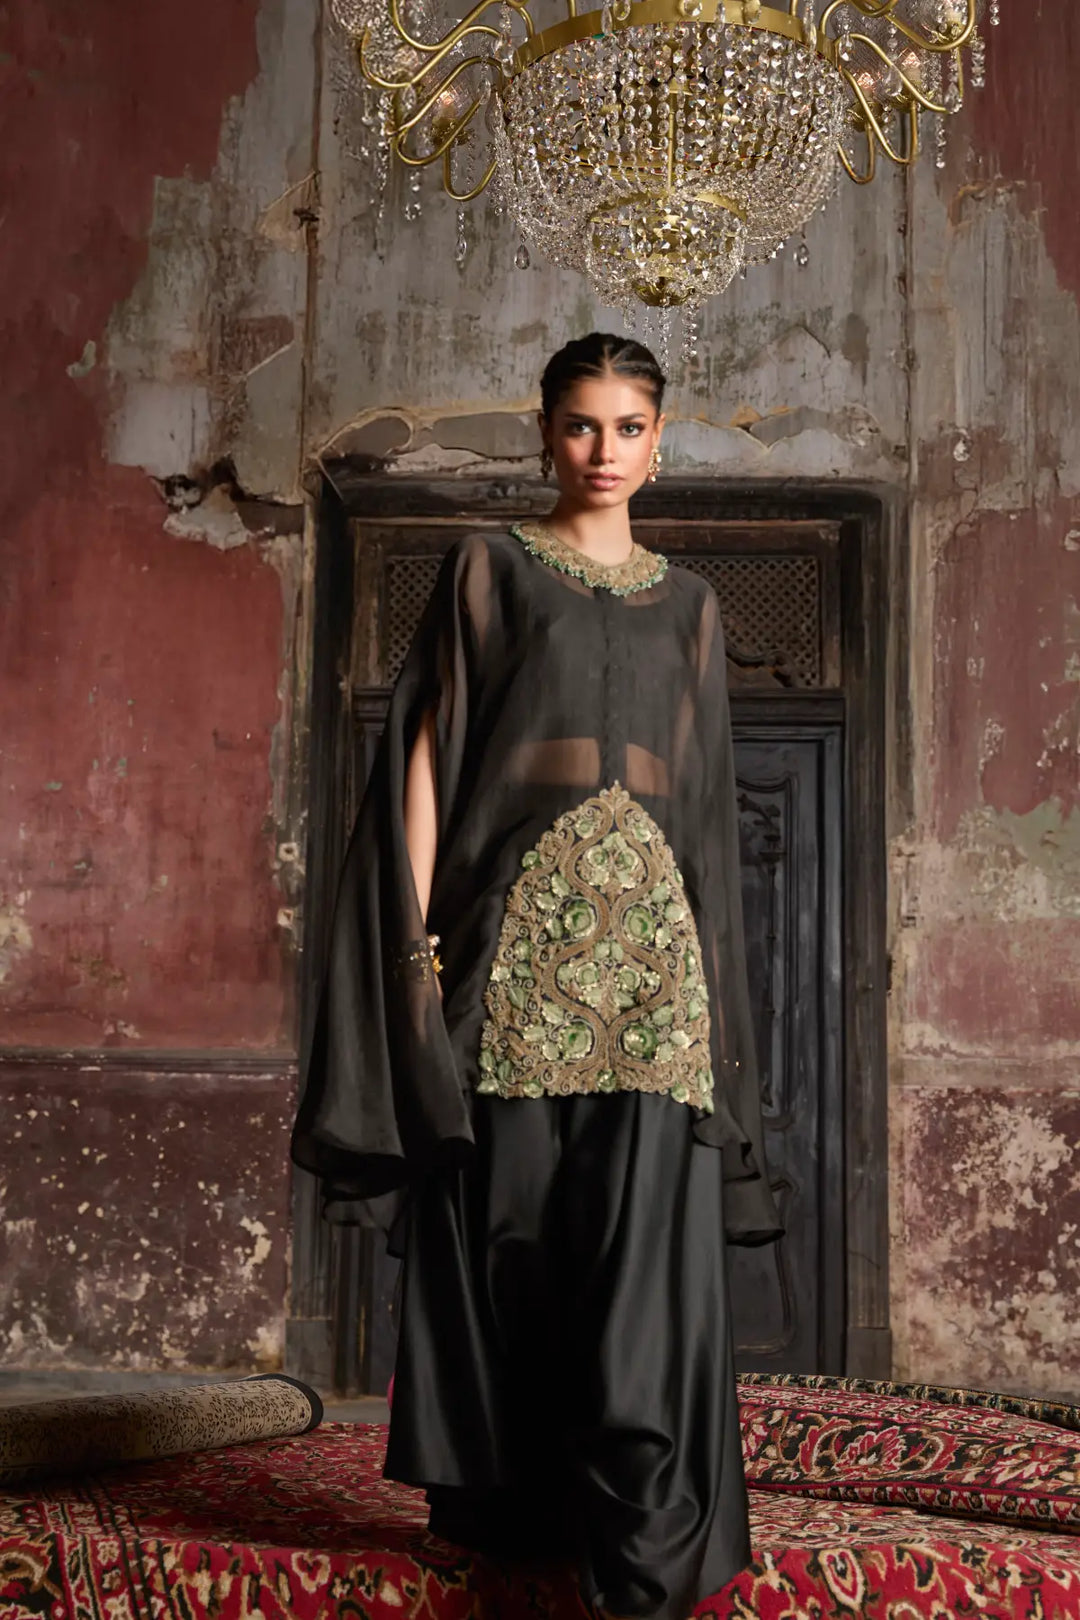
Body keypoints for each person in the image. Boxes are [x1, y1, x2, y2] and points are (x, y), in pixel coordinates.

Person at [292, 332, 781, 1619]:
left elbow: (708, 815)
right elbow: (427, 757)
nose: (604, 452)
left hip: (654, 975)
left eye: (629, 428)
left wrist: (713, 999)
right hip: (512, 954)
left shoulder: (693, 605)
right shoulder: (488, 570)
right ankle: (510, 1508)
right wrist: (413, 953)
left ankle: (647, 1543)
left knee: (642, 1263)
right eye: (580, 426)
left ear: (661, 440)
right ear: (543, 434)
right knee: (509, 1240)